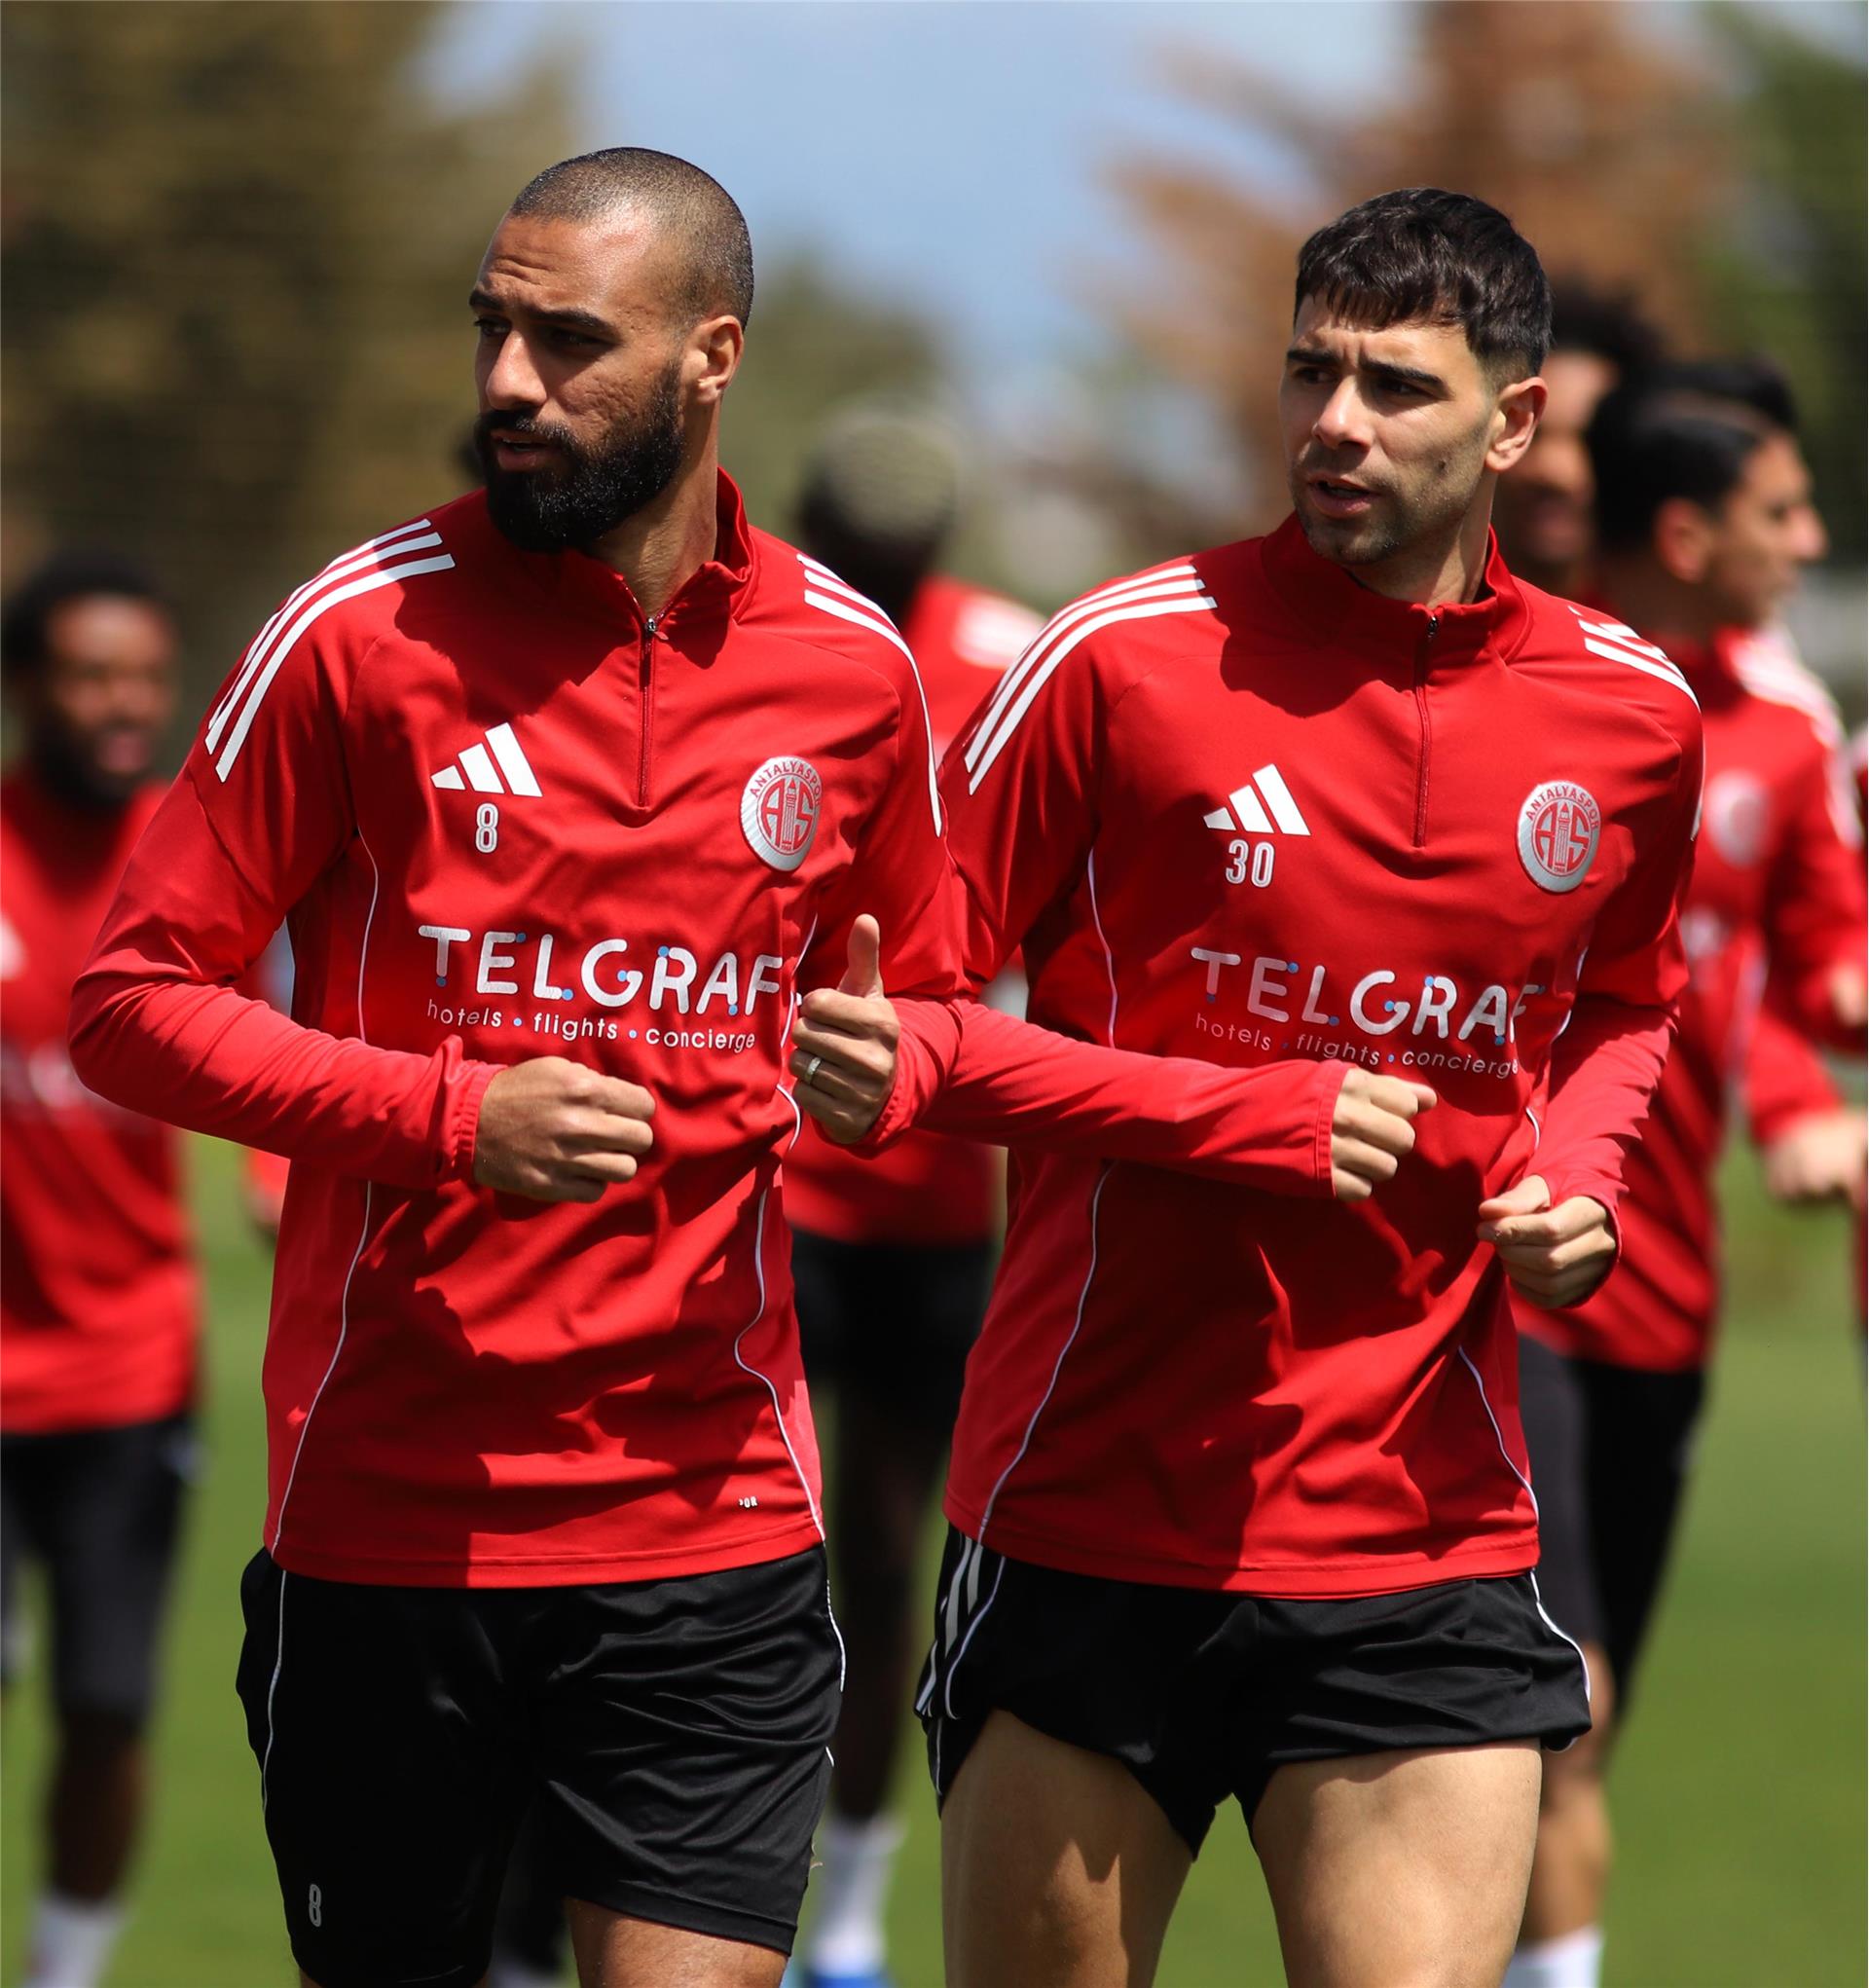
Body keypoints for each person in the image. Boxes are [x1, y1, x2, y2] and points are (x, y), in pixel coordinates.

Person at [67, 148, 1407, 1988]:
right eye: (492, 330)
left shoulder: (851, 673)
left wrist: (1170, 1104)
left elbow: (933, 1026)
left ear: (713, 357)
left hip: (715, 1524)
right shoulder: (358, 633)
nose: (510, 382)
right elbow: (131, 996)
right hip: (393, 1517)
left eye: (568, 341)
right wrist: (448, 1115)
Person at [797, 188, 1704, 1988]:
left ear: (1516, 423)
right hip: (1090, 1500)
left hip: (1423, 1525)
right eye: (1311, 372)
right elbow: (893, 1034)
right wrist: (1243, 1115)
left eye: (1397, 385)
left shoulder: (1629, 712)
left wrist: (1585, 1178)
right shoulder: (1118, 657)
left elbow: (1627, 998)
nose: (1335, 422)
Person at [1507, 368, 1866, 1988]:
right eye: (1782, 511)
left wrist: (1799, 1091)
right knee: (1555, 1702)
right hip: (1509, 1269)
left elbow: (1812, 968)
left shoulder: (1787, 732)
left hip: (1669, 1287)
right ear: (1684, 533)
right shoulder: (1527, 686)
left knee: (1594, 1724)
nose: (1810, 540)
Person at [779, 408, 1040, 1988]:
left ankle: (852, 1913)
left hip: (934, 1199)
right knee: (751, 1546)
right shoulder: (770, 649)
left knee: (886, 1554)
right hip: (776, 1181)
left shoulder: (1010, 659)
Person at [1, 553, 192, 1988]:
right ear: (25, 689)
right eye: (88, 675)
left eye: (143, 677)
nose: (122, 703)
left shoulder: (196, 856)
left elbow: (302, 1026)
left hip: (131, 1369)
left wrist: (275, 1179)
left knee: (110, 1706)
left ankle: (63, 1973)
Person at [1489, 279, 1663, 598]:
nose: (1555, 471)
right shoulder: (1420, 613)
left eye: (1587, 439)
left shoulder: (1685, 624)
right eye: (1527, 430)